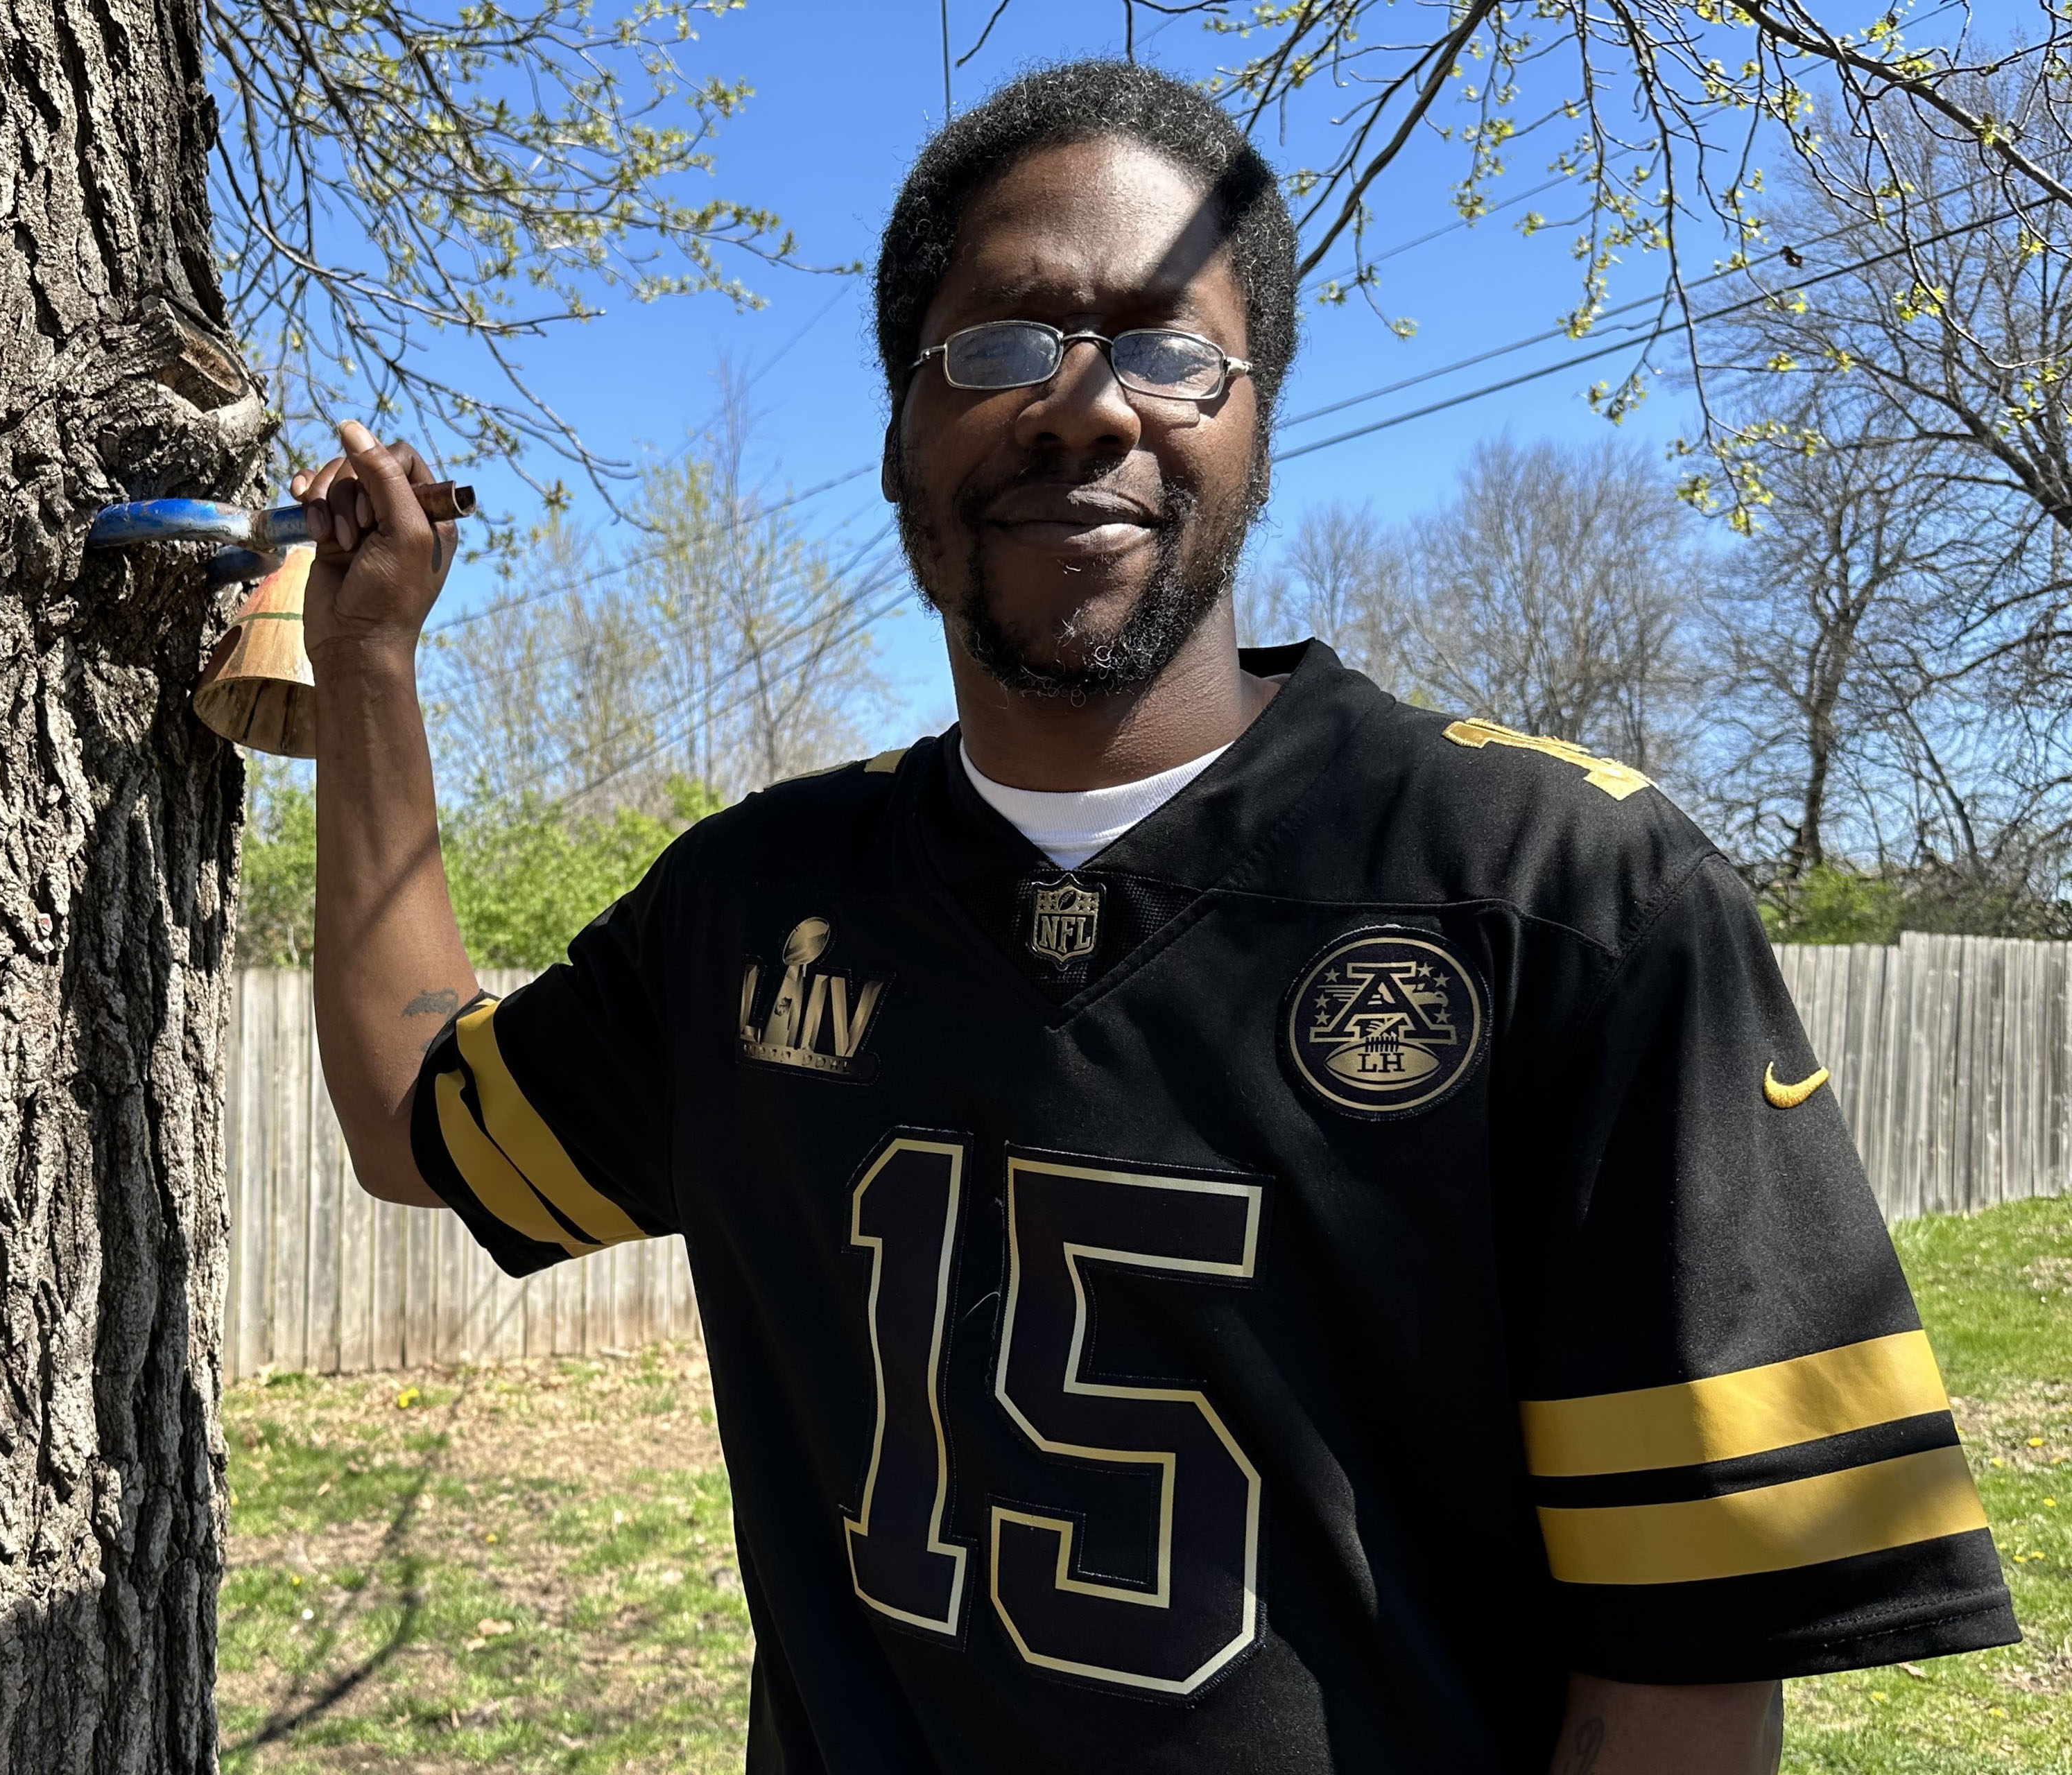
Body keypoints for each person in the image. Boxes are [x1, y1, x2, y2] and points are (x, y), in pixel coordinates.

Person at [288, 59, 2019, 1775]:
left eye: (1169, 347)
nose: (1085, 403)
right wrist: (369, 659)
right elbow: (409, 1113)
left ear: (1257, 422)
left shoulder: (1571, 902)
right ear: (900, 426)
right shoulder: (757, 911)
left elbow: (1686, 1681)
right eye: (1003, 343)